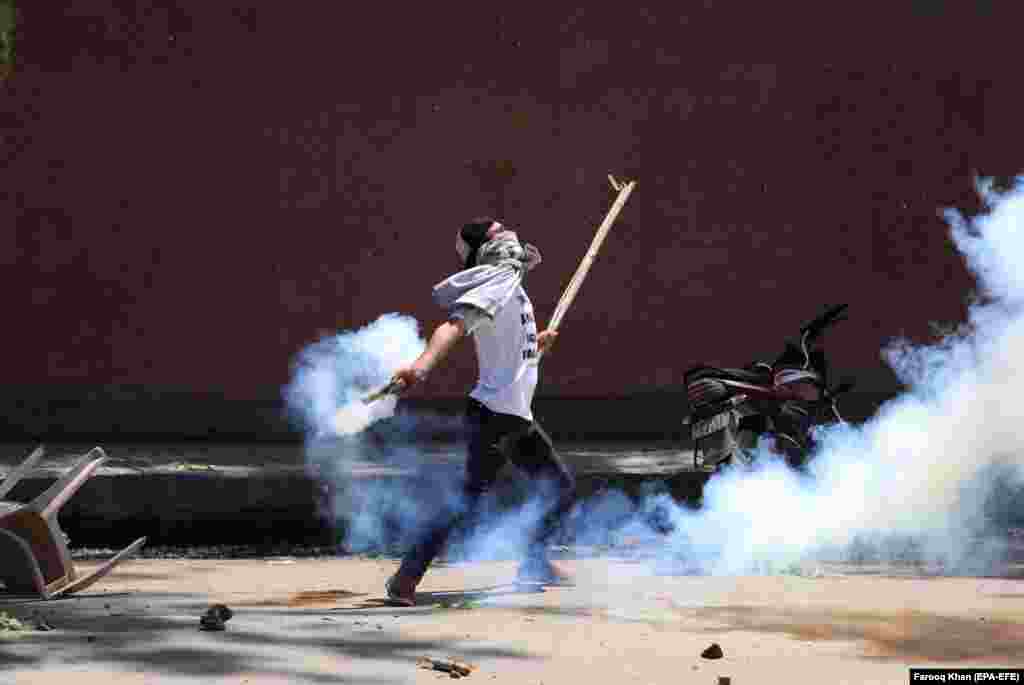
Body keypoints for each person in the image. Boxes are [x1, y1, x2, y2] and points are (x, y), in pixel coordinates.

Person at [383, 217, 576, 607]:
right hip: (495, 417)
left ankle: (535, 563)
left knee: (559, 488)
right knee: (467, 502)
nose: (509, 237)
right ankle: (405, 578)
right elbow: (452, 328)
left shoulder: (511, 285)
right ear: (484, 250)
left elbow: (508, 352)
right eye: (498, 234)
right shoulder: (495, 285)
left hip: (514, 416)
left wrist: (536, 347)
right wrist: (420, 367)